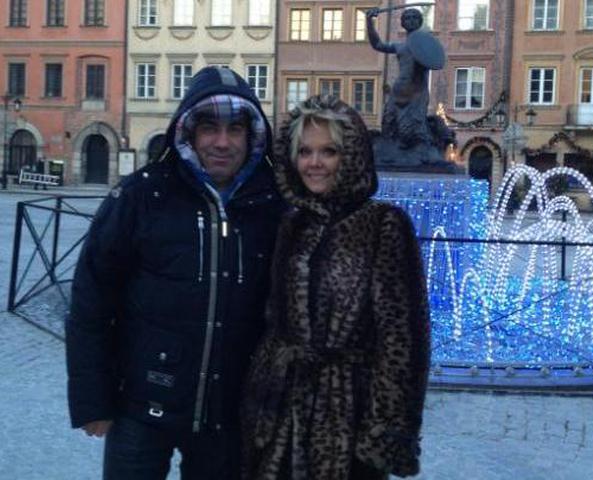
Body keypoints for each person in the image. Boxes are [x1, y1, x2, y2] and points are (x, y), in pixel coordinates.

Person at [65, 66, 285, 479]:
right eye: (209, 128)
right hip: (140, 404)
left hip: (230, 411)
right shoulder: (142, 194)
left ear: (252, 135)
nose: (222, 142)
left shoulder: (273, 203)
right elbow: (91, 299)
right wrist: (92, 398)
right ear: (189, 132)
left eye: (235, 129)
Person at [241, 95, 431, 480]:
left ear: (352, 156)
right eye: (305, 151)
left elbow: (403, 340)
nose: (314, 163)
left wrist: (383, 433)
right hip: (280, 414)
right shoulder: (292, 224)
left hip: (347, 417)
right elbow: (274, 322)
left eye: (329, 151)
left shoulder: (384, 225)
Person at [367, 7, 445, 152]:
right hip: (397, 93)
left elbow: (436, 60)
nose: (411, 20)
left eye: (414, 17)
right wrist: (369, 22)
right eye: (407, 18)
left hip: (416, 94)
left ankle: (422, 155)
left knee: (411, 132)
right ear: (402, 23)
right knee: (389, 127)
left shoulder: (424, 48)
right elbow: (377, 44)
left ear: (420, 22)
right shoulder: (400, 46)